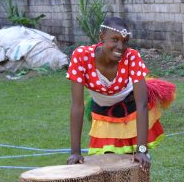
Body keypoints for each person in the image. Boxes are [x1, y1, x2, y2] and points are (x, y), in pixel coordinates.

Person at [65, 16, 175, 168]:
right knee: (105, 164)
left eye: (125, 41)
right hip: (103, 112)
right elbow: (77, 106)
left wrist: (141, 150)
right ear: (101, 37)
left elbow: (141, 104)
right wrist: (75, 152)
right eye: (115, 39)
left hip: (131, 108)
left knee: (133, 165)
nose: (120, 47)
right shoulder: (81, 56)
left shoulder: (132, 57)